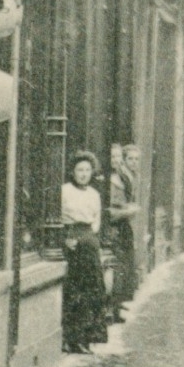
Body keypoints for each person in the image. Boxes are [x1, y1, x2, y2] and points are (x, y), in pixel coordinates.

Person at [61, 151, 109, 354]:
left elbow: (96, 219)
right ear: (73, 172)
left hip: (89, 240)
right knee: (75, 290)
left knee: (92, 289)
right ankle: (72, 338)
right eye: (79, 170)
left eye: (87, 170)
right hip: (72, 238)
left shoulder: (94, 194)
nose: (83, 174)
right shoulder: (64, 191)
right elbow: (60, 216)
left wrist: (91, 237)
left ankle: (87, 337)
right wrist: (67, 238)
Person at [107, 142, 139, 321]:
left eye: (118, 156)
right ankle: (113, 308)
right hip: (115, 227)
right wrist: (128, 211)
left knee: (124, 266)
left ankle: (117, 304)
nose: (116, 160)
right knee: (117, 266)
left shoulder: (123, 176)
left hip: (123, 226)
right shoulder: (112, 179)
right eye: (113, 156)